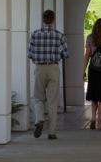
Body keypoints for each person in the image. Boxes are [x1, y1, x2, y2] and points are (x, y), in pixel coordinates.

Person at [27, 9, 71, 140]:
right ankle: (51, 132)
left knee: (39, 98)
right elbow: (66, 55)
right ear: (54, 20)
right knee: (52, 101)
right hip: (53, 68)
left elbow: (29, 54)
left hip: (40, 68)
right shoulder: (59, 35)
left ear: (42, 20)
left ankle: (39, 119)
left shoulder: (34, 34)